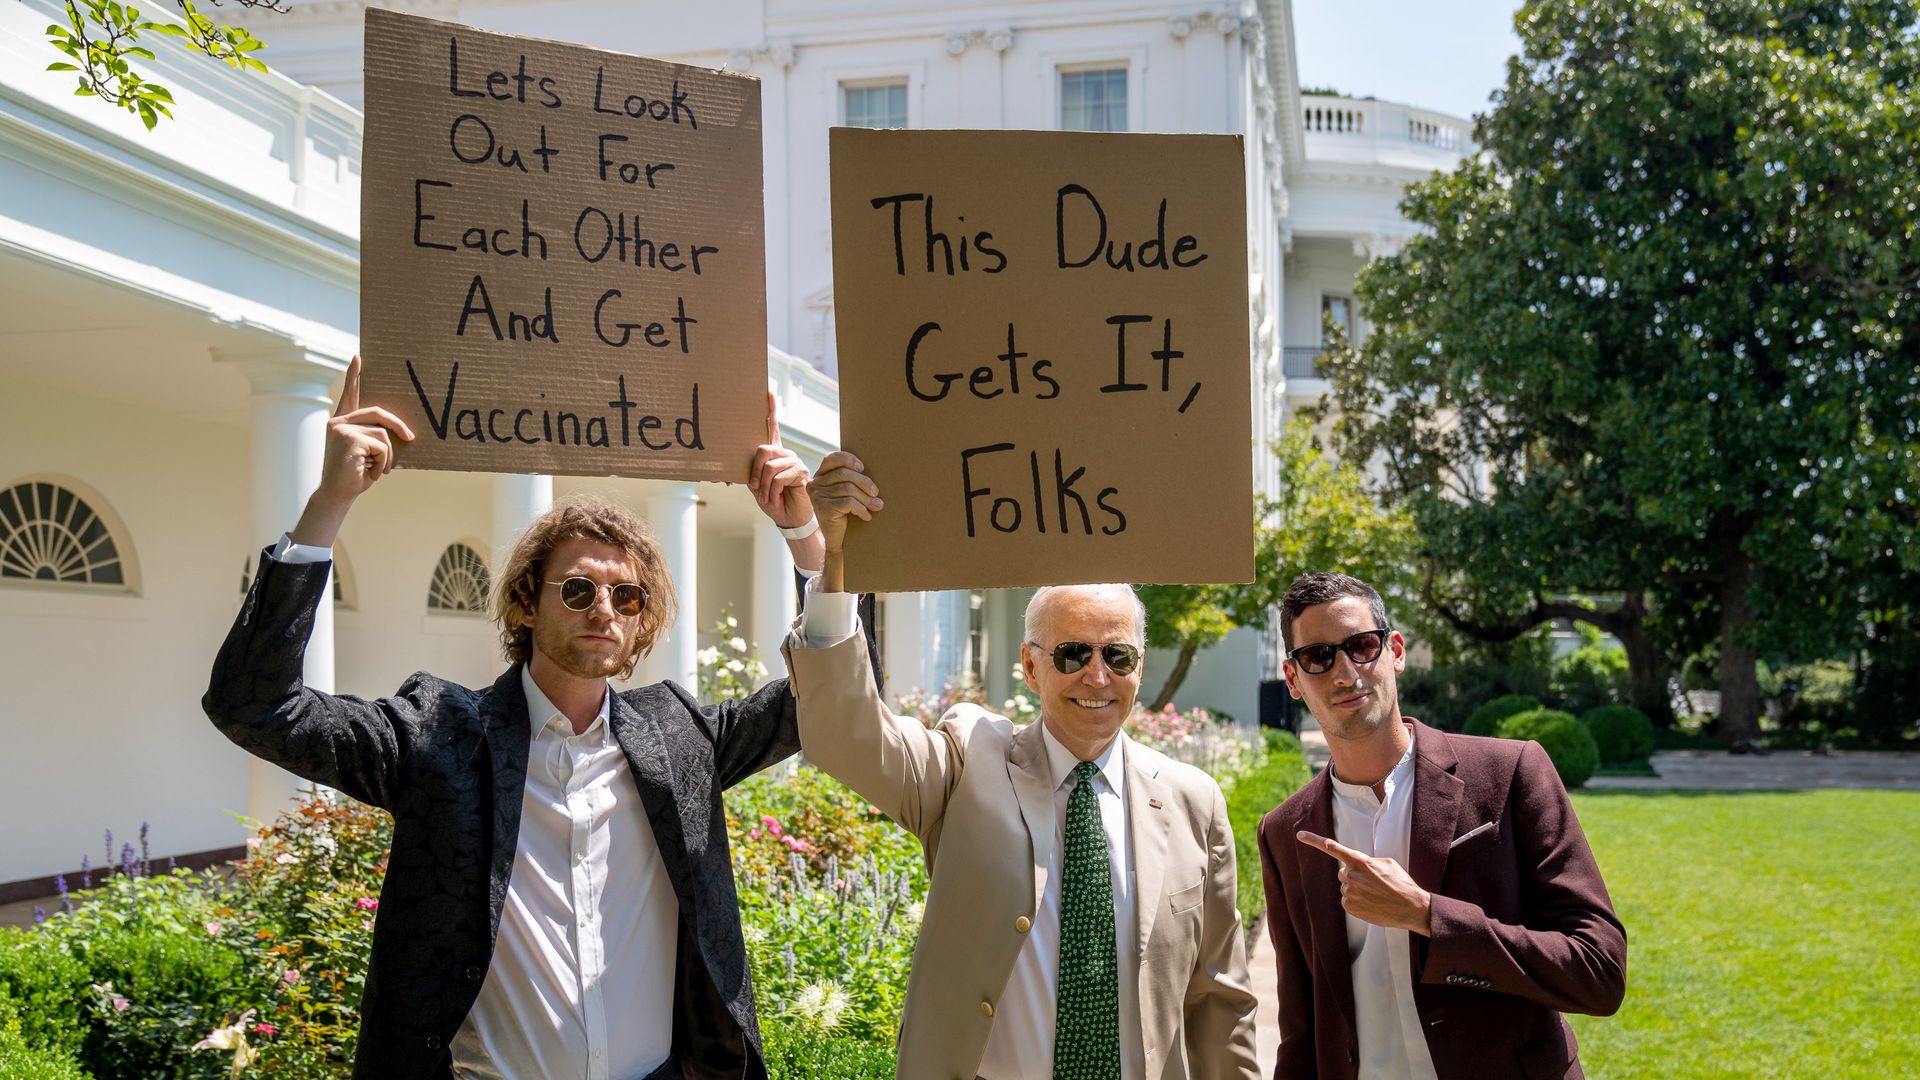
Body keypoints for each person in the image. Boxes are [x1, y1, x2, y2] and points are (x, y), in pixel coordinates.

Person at [204, 357, 826, 1080]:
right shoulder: (438, 733)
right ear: (527, 604)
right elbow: (255, 705)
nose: (604, 608)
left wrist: (805, 538)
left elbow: (830, 697)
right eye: (578, 587)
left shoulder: (680, 737)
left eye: (627, 598)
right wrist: (330, 503)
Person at [782, 451, 1260, 1080]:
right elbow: (847, 736)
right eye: (1071, 654)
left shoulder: (1193, 799)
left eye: (1118, 655)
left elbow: (1220, 998)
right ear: (1032, 667)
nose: (1097, 676)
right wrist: (834, 564)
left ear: (1139, 666)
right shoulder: (969, 760)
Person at [1256, 572, 1627, 1079]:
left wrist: (1428, 915)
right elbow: (1301, 1032)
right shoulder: (1285, 832)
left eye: (1362, 646)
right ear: (1293, 679)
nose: (1345, 673)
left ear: (1396, 651)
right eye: (1318, 657)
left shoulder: (1511, 773)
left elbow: (1598, 971)